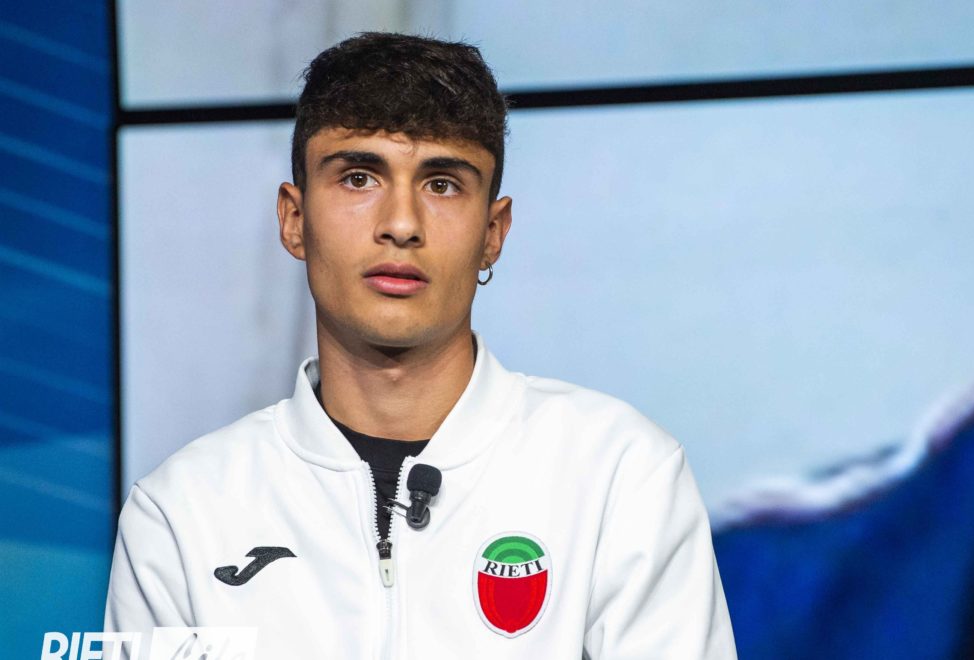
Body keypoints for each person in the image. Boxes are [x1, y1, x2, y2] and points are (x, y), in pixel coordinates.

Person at [104, 32, 736, 659]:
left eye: (442, 185)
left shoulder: (621, 477)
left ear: (493, 233)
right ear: (295, 220)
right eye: (358, 178)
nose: (401, 225)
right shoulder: (181, 514)